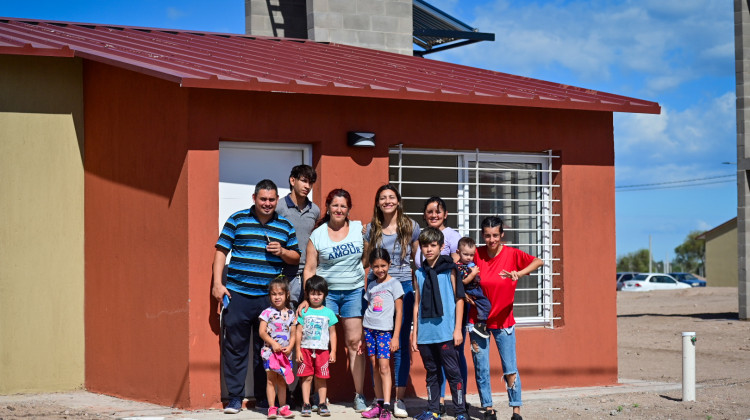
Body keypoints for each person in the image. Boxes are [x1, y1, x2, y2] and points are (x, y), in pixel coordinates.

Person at [212, 179, 301, 414]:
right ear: (254, 198)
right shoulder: (237, 219)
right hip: (238, 294)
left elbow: (296, 257)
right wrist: (218, 284)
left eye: (272, 199)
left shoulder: (284, 225)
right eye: (263, 199)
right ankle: (234, 398)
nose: (267, 203)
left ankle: (264, 399)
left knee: (268, 349)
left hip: (269, 299)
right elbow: (221, 251)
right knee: (235, 347)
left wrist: (282, 251)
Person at [298, 189, 367, 411]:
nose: (339, 209)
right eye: (335, 205)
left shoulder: (359, 228)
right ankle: (319, 398)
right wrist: (308, 298)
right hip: (324, 296)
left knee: (354, 343)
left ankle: (359, 395)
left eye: (343, 206)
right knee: (318, 343)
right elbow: (309, 269)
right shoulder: (317, 235)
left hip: (354, 292)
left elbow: (366, 258)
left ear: (349, 209)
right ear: (328, 207)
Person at [468, 217, 543, 420]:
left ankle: (516, 409)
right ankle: (488, 408)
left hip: (504, 321)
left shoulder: (511, 253)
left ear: (502, 235)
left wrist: (519, 273)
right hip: (478, 322)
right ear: (482, 235)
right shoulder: (476, 253)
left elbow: (539, 261)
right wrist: (465, 294)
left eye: (495, 235)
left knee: (510, 367)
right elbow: (458, 271)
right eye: (487, 235)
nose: (491, 239)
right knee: (481, 367)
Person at [363, 184, 420, 418]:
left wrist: (418, 291)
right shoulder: (371, 229)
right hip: (376, 290)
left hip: (403, 288)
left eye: (391, 197)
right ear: (377, 202)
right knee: (375, 343)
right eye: (382, 198)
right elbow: (366, 260)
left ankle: (399, 399)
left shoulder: (411, 226)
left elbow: (417, 261)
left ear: (398, 200)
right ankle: (380, 399)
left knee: (399, 343)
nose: (387, 201)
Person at [413, 197, 466, 417]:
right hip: (426, 332)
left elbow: (459, 300)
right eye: (425, 245)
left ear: (442, 247)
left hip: (445, 331)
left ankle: (460, 410)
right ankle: (433, 410)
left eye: (433, 245)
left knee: (453, 373)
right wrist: (414, 333)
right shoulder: (418, 273)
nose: (428, 249)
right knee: (431, 373)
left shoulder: (450, 270)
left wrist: (456, 330)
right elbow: (416, 304)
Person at [359, 248, 404, 420]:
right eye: (376, 266)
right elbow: (368, 311)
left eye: (383, 265)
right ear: (371, 267)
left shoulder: (395, 285)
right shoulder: (371, 285)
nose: (380, 270)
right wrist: (363, 338)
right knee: (374, 366)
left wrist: (396, 336)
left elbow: (399, 313)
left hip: (385, 332)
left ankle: (386, 405)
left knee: (384, 367)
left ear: (389, 264)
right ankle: (378, 404)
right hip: (369, 329)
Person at [276, 165, 320, 308]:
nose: (307, 186)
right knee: (285, 316)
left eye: (311, 183)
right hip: (284, 273)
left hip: (308, 272)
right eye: (304, 181)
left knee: (306, 318)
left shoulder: (315, 210)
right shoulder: (279, 207)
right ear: (293, 180)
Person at [296, 276, 338, 417]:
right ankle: (306, 403)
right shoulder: (304, 311)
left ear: (324, 294)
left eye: (319, 293)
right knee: (306, 377)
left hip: (323, 352)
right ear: (307, 294)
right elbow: (298, 331)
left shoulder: (329, 313)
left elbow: (333, 334)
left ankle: (322, 403)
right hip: (305, 350)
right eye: (313, 293)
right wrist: (297, 351)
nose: (316, 297)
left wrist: (333, 351)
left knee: (321, 378)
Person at [258, 276, 298, 419]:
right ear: (270, 296)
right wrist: (273, 343)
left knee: (282, 380)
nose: (277, 297)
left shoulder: (292, 314)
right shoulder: (266, 313)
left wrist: (291, 346)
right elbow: (261, 332)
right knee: (270, 380)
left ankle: (283, 408)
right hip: (270, 353)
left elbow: (293, 334)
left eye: (280, 294)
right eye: (274, 294)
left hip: (285, 355)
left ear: (287, 295)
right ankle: (272, 408)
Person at [457, 237, 491, 339]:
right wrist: (473, 274)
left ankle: (481, 322)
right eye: (466, 254)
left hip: (475, 288)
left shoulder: (470, 265)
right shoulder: (459, 267)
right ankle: (480, 324)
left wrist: (476, 277)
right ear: (458, 252)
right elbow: (464, 281)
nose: (469, 257)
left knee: (483, 304)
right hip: (470, 290)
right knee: (486, 305)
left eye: (471, 255)